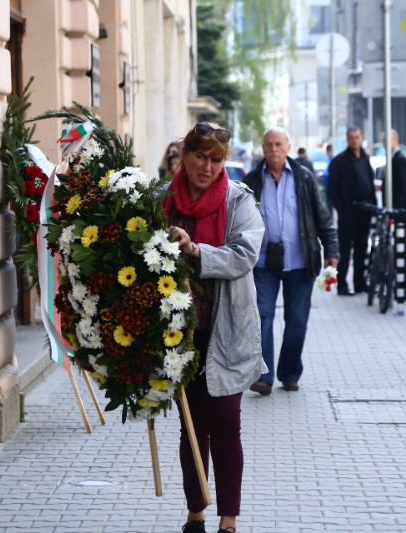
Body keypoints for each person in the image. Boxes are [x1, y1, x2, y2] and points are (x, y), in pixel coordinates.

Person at [163, 122, 266, 533]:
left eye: (216, 159)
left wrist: (195, 251)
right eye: (200, 156)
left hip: (227, 325)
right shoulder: (163, 201)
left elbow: (244, 254)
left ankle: (229, 519)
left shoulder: (239, 199)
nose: (207, 167)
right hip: (179, 330)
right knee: (192, 425)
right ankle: (196, 512)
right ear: (185, 155)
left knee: (226, 421)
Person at [243, 127, 338, 395]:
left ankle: (290, 372)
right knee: (262, 316)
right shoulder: (252, 180)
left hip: (299, 262)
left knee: (297, 320)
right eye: (269, 144)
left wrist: (332, 249)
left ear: (288, 147)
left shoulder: (304, 178)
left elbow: (322, 216)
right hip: (263, 263)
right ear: (263, 148)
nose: (274, 148)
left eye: (279, 144)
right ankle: (264, 375)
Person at [326, 126, 376, 296]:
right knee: (345, 251)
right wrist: (342, 207)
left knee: (362, 249)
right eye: (351, 137)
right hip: (348, 213)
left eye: (357, 137)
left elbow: (370, 182)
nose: (355, 140)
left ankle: (360, 282)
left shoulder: (365, 158)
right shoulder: (339, 161)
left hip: (364, 212)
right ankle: (342, 285)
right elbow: (331, 188)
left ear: (361, 138)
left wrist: (373, 207)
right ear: (347, 139)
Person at [381, 129, 406, 221]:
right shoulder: (393, 158)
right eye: (383, 141)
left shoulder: (400, 160)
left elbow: (403, 187)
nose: (384, 144)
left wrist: (396, 211)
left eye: (386, 140)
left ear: (395, 140)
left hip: (398, 211)